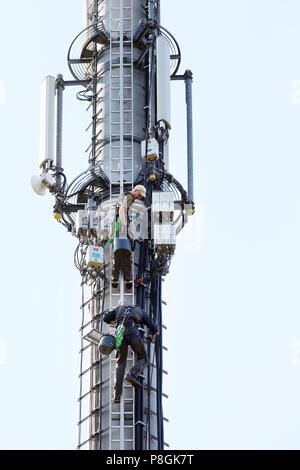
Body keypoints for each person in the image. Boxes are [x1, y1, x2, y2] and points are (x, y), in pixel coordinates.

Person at [103, 303, 158, 403]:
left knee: (120, 364)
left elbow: (105, 318)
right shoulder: (139, 311)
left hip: (120, 335)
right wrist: (152, 335)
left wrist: (113, 322)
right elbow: (153, 326)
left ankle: (117, 395)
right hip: (133, 334)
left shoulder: (118, 309)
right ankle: (132, 375)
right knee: (144, 358)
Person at [111, 185, 146, 289]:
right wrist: (125, 225)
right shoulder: (129, 197)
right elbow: (122, 210)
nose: (139, 197)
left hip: (117, 226)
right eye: (139, 195)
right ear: (135, 191)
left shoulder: (123, 196)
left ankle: (115, 277)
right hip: (122, 226)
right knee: (126, 253)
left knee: (118, 253)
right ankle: (128, 279)